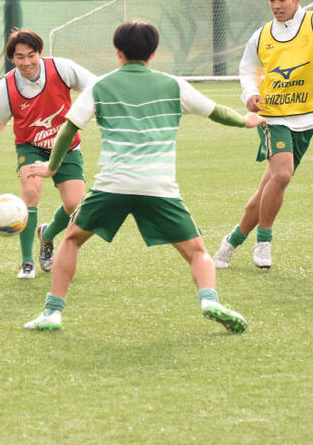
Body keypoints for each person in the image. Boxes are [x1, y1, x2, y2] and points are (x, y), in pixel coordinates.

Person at [23, 19, 263, 333]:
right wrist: (246, 121)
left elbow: (69, 128)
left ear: (118, 52)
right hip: (158, 187)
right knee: (197, 252)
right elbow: (216, 111)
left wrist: (51, 168)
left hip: (112, 185)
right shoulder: (174, 85)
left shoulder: (101, 85)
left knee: (71, 239)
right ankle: (209, 299)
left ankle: (53, 313)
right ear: (152, 54)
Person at [213, 0, 313, 270]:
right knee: (282, 174)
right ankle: (264, 241)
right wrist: (249, 95)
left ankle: (229, 244)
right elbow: (248, 70)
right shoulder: (262, 35)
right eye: (271, 0)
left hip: (307, 118)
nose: (276, 5)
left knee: (268, 188)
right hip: (272, 117)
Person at [0, 29, 96, 279]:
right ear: (12, 58)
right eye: (20, 57)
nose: (27, 62)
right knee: (30, 194)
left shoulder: (61, 68)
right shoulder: (7, 85)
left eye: (32, 55)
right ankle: (27, 262)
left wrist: (83, 113)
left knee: (74, 204)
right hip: (30, 146)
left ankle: (47, 234)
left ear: (40, 53)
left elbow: (95, 86)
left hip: (66, 145)